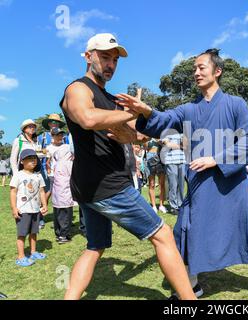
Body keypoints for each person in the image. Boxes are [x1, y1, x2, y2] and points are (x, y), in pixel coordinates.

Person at [115, 48, 248, 300]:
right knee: (184, 232)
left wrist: (215, 159)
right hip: (201, 187)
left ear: (217, 71)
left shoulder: (236, 104)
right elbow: (163, 120)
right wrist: (145, 110)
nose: (196, 72)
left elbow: (247, 143)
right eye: (194, 69)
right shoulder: (188, 110)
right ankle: (192, 286)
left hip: (234, 187)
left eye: (201, 67)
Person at [59, 33, 196, 300]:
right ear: (88, 57)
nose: (110, 64)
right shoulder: (77, 89)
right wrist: (131, 113)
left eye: (114, 60)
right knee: (163, 235)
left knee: (95, 247)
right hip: (107, 185)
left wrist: (141, 117)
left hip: (90, 187)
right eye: (104, 57)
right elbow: (87, 118)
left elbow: (140, 134)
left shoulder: (111, 99)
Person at [10, 149, 48, 267]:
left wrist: (45, 204)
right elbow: (13, 192)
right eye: (29, 158)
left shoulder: (38, 176)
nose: (33, 160)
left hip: (35, 210)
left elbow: (42, 192)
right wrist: (14, 208)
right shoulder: (18, 175)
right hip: (23, 210)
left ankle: (33, 252)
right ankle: (21, 257)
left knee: (34, 232)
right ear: (22, 161)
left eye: (34, 158)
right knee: (22, 234)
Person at [51, 143, 75, 244]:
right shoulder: (68, 163)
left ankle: (58, 233)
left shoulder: (57, 163)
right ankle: (64, 235)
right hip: (65, 192)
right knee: (66, 215)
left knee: (57, 215)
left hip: (57, 194)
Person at [160, 133, 186, 215]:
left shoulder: (182, 131)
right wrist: (179, 146)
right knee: (173, 185)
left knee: (181, 185)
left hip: (182, 160)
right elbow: (167, 145)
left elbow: (186, 145)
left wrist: (175, 145)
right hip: (171, 161)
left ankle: (180, 205)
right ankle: (174, 207)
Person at [144, 138, 167, 213]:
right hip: (150, 163)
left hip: (161, 162)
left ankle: (161, 205)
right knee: (151, 185)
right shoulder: (148, 137)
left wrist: (160, 142)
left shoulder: (162, 137)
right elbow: (145, 148)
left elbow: (166, 147)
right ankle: (154, 206)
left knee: (162, 185)